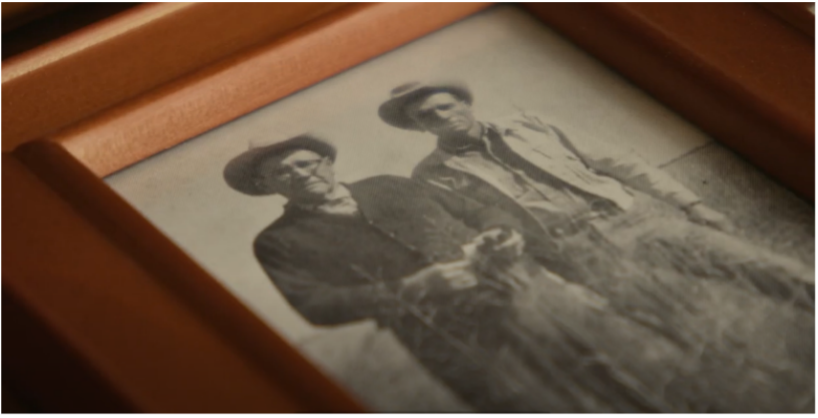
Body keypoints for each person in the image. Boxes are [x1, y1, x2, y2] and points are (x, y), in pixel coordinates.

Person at [223, 135, 815, 414]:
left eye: (306, 163)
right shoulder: (278, 242)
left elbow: (479, 211)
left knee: (624, 374)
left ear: (327, 161)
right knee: (541, 407)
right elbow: (316, 306)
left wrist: (499, 233)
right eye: (283, 174)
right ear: (265, 188)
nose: (301, 176)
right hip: (451, 336)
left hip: (529, 293)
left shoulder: (390, 186)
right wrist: (411, 290)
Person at [378, 81, 817, 315]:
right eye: (427, 117)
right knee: (683, 322)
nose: (442, 117)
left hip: (634, 220)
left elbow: (620, 162)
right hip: (578, 253)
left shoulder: (529, 124)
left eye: (446, 106)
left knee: (760, 266)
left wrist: (693, 204)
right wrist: (561, 281)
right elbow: (483, 231)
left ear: (464, 103)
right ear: (419, 128)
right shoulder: (432, 175)